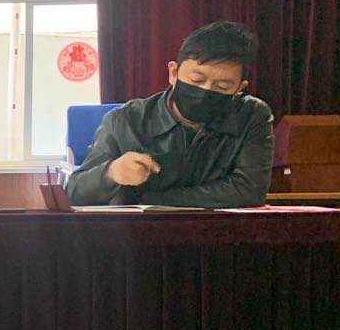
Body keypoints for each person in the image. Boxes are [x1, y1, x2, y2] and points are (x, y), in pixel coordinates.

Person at [66, 21, 274, 208]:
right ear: (173, 73)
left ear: (239, 89)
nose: (206, 91)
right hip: (138, 234)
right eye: (196, 80)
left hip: (217, 234)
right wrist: (111, 173)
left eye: (222, 86)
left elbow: (249, 191)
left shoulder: (252, 116)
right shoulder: (125, 120)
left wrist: (149, 198)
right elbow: (73, 192)